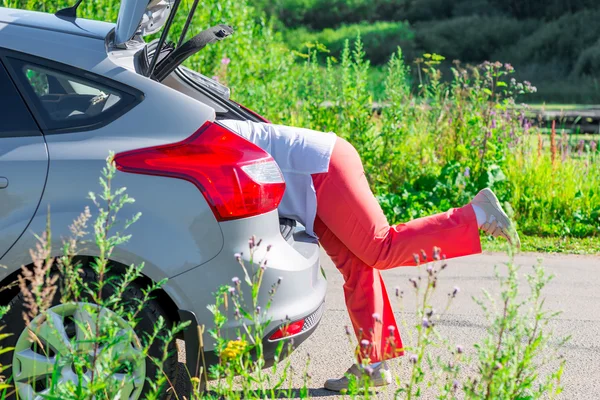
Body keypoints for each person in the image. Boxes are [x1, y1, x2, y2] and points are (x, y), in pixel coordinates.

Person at [220, 119, 520, 392]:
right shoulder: (191, 129)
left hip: (320, 168)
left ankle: (478, 213)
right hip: (308, 181)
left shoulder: (195, 135)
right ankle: (372, 364)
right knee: (357, 264)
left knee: (381, 248)